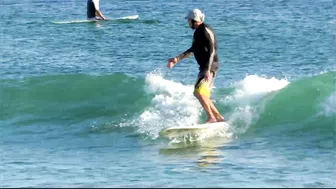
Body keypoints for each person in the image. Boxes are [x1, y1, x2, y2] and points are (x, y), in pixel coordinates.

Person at [167, 8, 225, 123]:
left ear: (194, 20)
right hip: (205, 66)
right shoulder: (198, 32)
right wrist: (177, 59)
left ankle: (212, 118)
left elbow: (212, 50)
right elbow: (193, 50)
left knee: (199, 92)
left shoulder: (205, 30)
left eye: (188, 20)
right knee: (199, 93)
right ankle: (218, 117)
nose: (188, 23)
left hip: (210, 65)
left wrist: (208, 70)